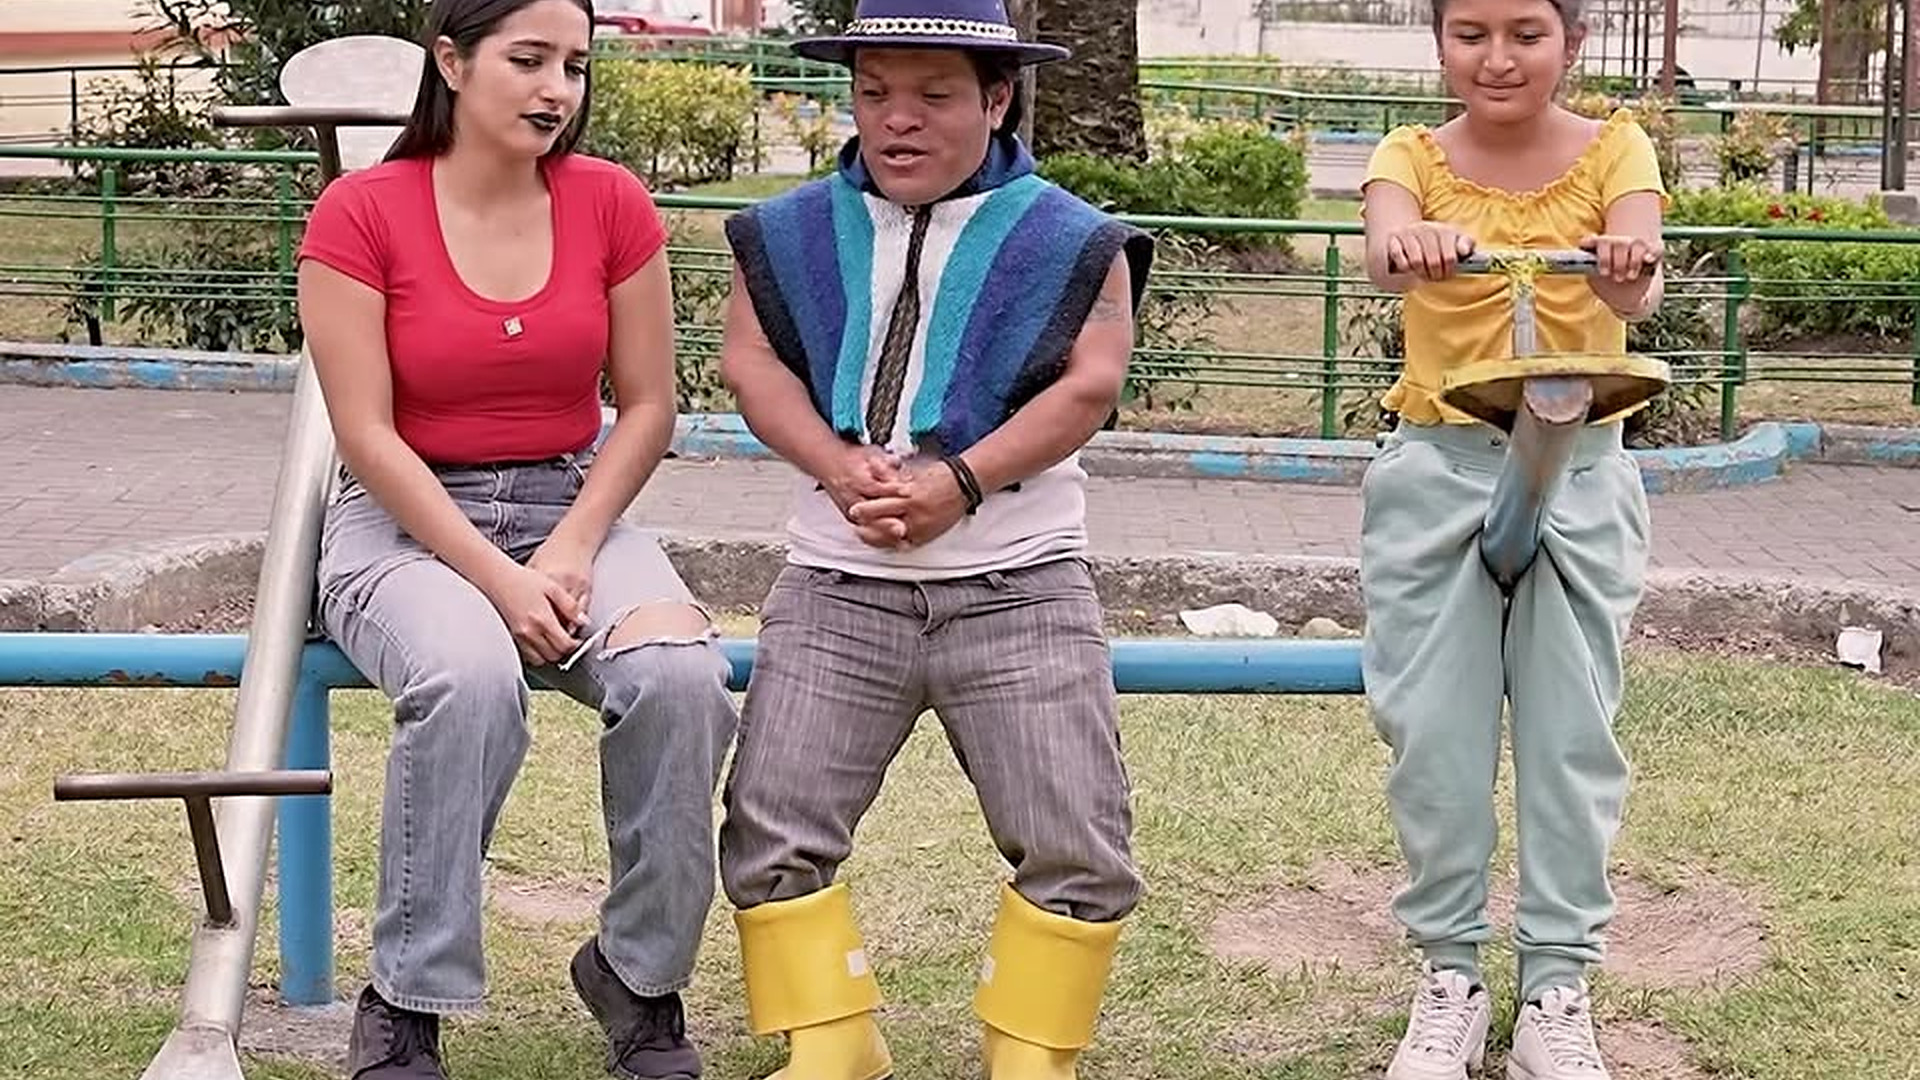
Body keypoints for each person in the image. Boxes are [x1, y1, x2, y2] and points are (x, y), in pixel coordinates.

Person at [709, 1, 1155, 1076]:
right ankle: (831, 1046)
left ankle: (1030, 1056)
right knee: (772, 822)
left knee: (1077, 836)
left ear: (998, 99)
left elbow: (1091, 382)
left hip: (1021, 580)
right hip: (837, 579)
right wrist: (834, 462)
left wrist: (961, 480)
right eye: (874, 94)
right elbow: (750, 360)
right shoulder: (790, 232)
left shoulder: (1073, 238)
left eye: (934, 95)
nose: (896, 120)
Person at [294, 1, 739, 1077]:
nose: (556, 90)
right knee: (469, 678)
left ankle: (637, 977)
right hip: (404, 521)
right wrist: (501, 581)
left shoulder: (610, 202)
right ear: (451, 62)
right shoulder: (362, 212)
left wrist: (572, 550)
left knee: (682, 678)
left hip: (570, 504)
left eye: (574, 66)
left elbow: (648, 408)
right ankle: (405, 1001)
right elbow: (367, 435)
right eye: (528, 60)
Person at [1357, 0, 1667, 1076]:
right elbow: (1385, 257)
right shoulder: (1409, 156)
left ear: (1571, 42)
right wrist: (1411, 242)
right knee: (1434, 738)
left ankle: (1556, 990)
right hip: (1438, 469)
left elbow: (1641, 279)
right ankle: (1450, 974)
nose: (1498, 58)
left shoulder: (1617, 148)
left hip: (1580, 469)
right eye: (1471, 33)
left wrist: (1625, 265)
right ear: (1440, 42)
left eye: (1526, 33)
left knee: (1570, 738)